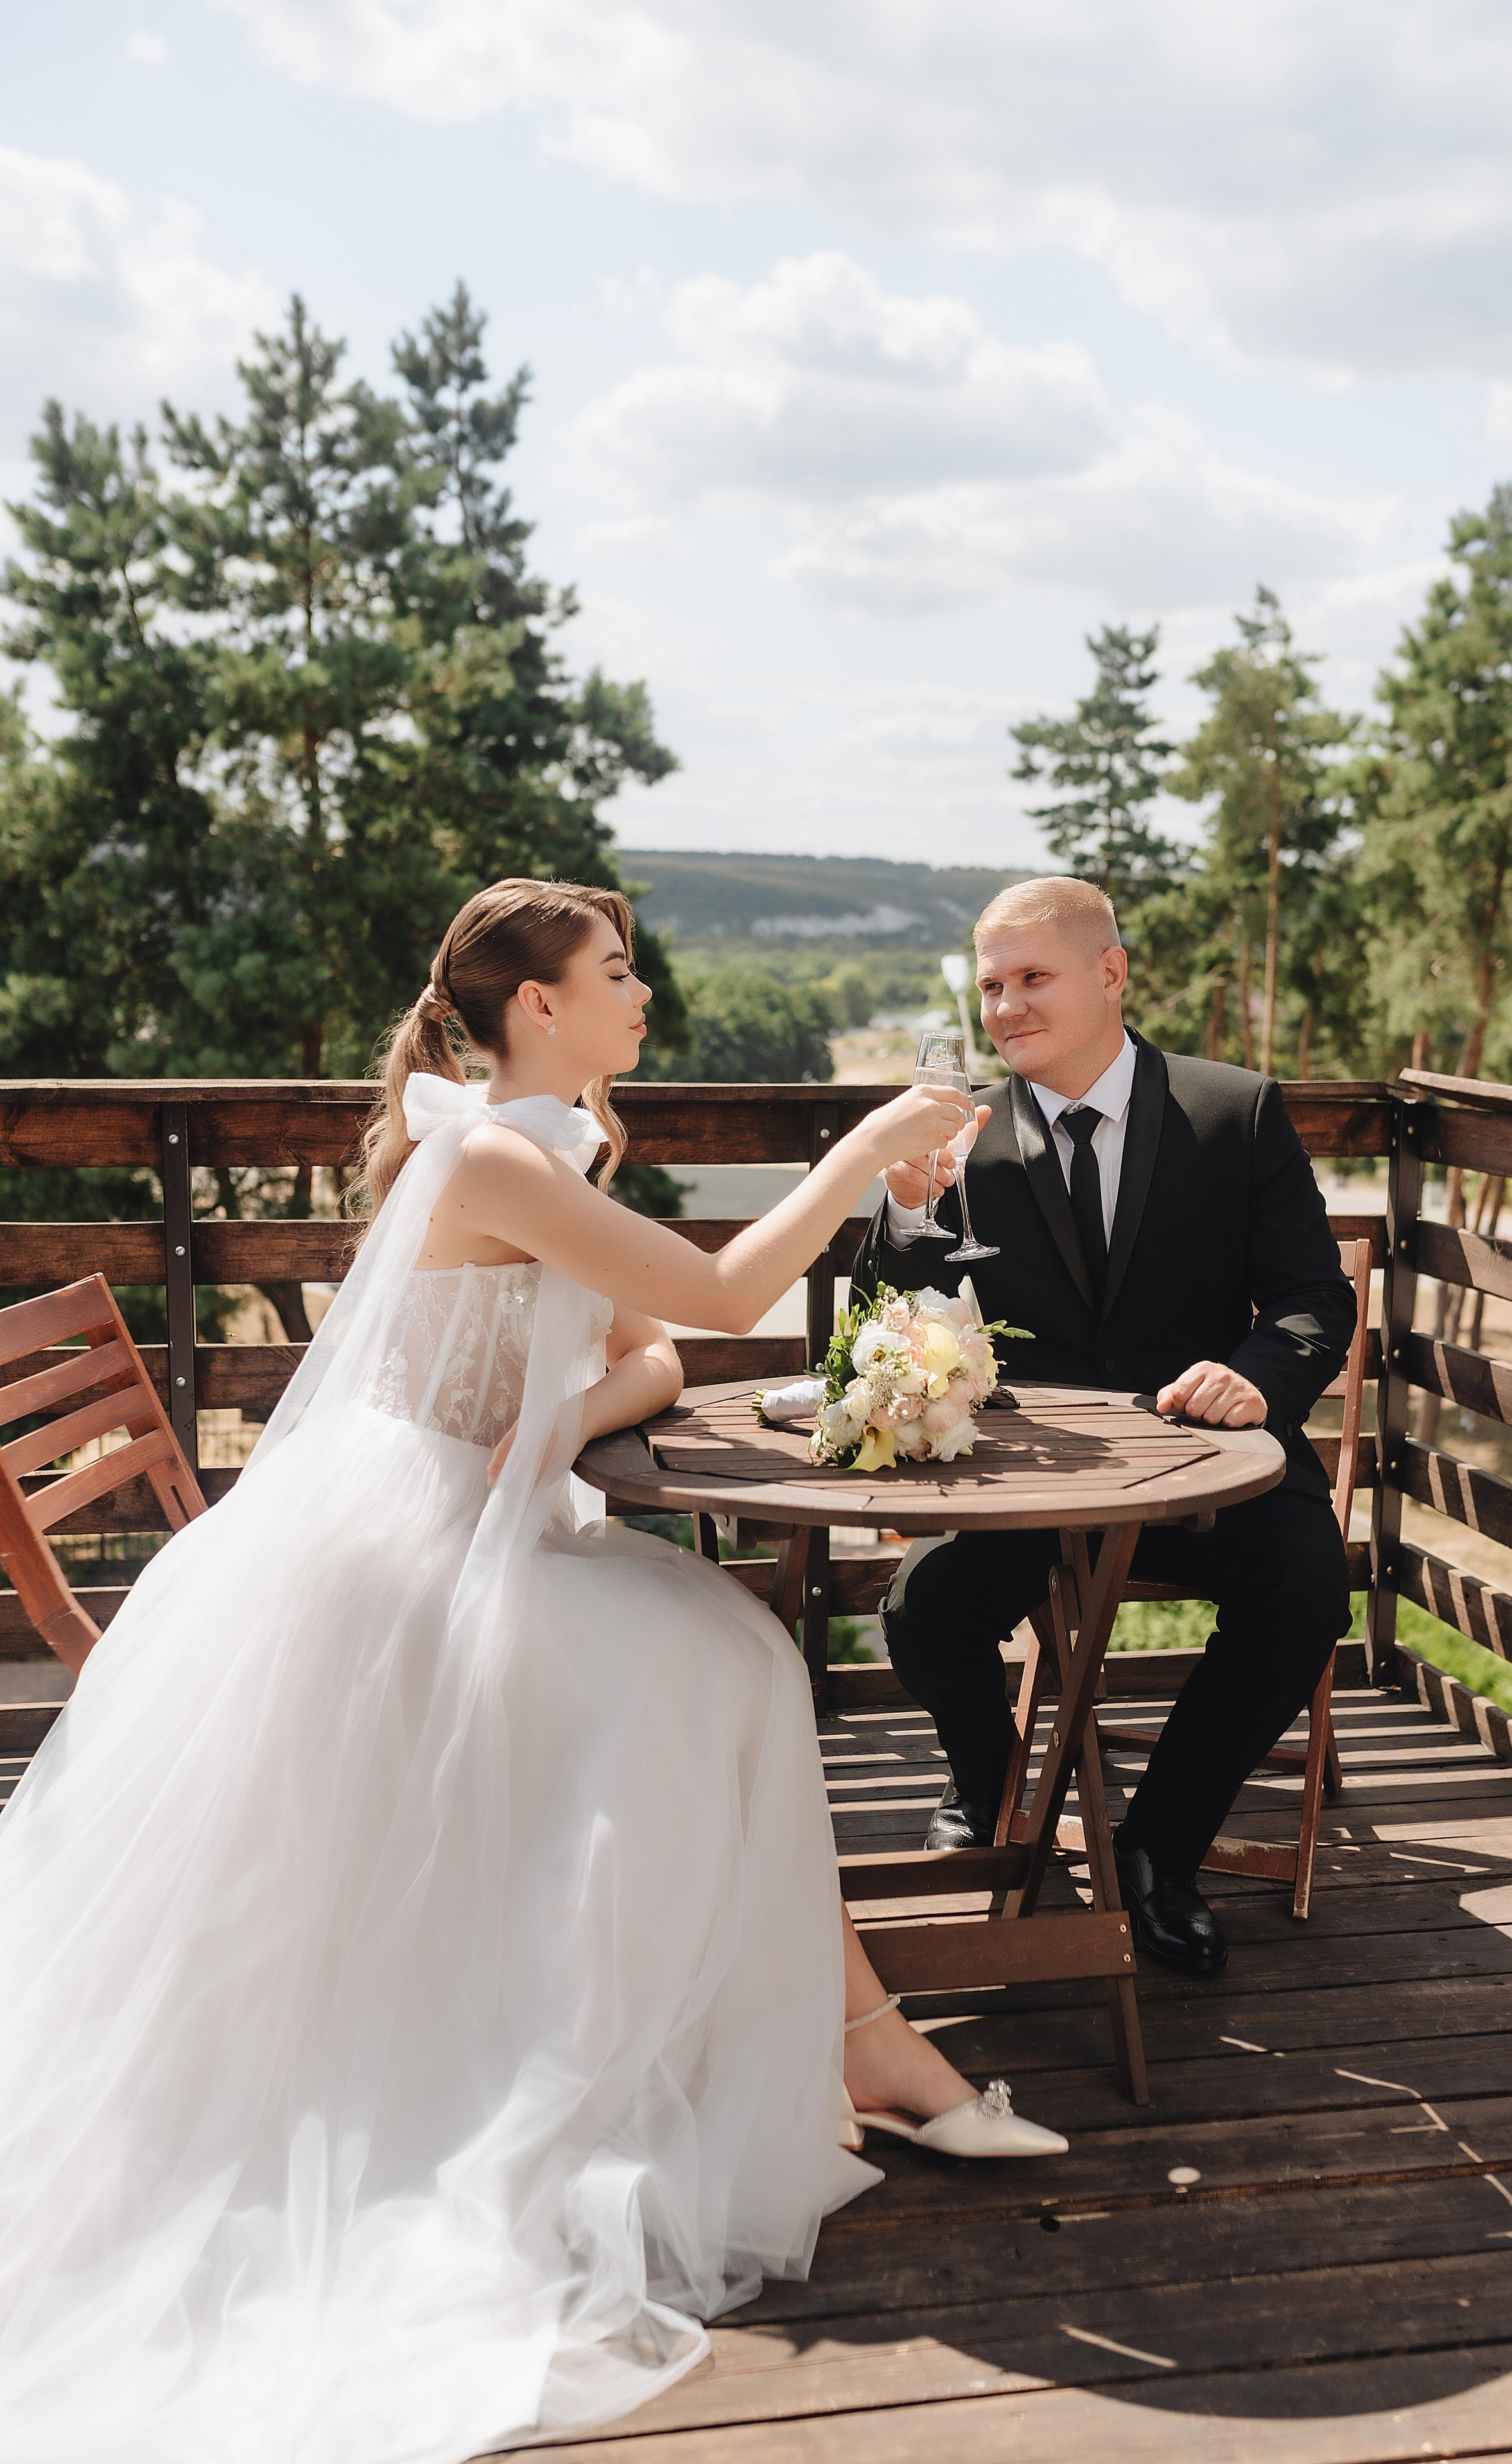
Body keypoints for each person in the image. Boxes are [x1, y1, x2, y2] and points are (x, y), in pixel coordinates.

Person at [0, 878, 1064, 2464]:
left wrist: (564, 1415)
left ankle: (859, 2041)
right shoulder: (493, 1150)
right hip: (393, 1565)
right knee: (718, 1663)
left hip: (487, 1514)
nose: (643, 992)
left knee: (727, 1657)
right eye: (616, 969)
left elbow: (650, 1349)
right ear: (536, 1006)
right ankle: (842, 2045)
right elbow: (714, 1299)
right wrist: (857, 1148)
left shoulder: (559, 1143)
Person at [853, 876, 1355, 1976]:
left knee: (1310, 1590)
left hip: (1209, 1471)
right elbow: (900, 1301)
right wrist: (903, 1208)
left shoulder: (1235, 1111)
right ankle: (984, 1781)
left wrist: (1258, 1379)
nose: (1006, 1006)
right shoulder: (966, 1136)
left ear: (1111, 973)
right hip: (1038, 1485)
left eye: (1034, 977)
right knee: (921, 1609)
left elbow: (1318, 1299)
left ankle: (1159, 1854)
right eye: (990, 985)